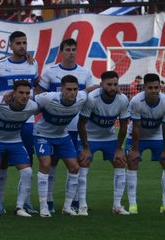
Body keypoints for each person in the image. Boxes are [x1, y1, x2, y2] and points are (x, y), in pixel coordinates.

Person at [36, 38, 98, 214]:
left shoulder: (85, 73)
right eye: (68, 49)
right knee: (51, 164)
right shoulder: (50, 72)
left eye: (73, 49)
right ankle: (48, 201)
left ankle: (75, 202)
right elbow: (40, 95)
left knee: (77, 165)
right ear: (61, 52)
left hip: (75, 128)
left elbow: (89, 94)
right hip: (53, 126)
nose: (71, 52)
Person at [0, 30, 38, 214]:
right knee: (2, 161)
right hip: (5, 116)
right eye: (19, 43)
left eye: (25, 43)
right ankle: (0, 202)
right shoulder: (0, 66)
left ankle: (26, 201)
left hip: (26, 120)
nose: (22, 46)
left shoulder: (32, 63)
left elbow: (37, 87)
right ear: (10, 45)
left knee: (28, 160)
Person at [0, 80, 40, 218]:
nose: (24, 96)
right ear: (13, 93)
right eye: (21, 93)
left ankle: (20, 207)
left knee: (27, 172)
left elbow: (46, 101)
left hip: (15, 141)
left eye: (27, 93)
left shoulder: (33, 106)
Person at [33, 74, 88, 217]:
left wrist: (102, 86)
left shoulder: (82, 97)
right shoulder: (48, 97)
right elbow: (31, 100)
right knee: (46, 165)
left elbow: (90, 90)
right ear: (62, 90)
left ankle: (67, 207)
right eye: (69, 89)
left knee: (75, 167)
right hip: (42, 134)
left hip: (62, 136)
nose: (72, 93)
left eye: (75, 89)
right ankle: (44, 206)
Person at [76, 71, 130, 215]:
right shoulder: (92, 99)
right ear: (101, 85)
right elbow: (81, 124)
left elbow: (124, 125)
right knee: (84, 162)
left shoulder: (123, 100)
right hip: (90, 137)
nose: (112, 88)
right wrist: (86, 147)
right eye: (109, 84)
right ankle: (82, 205)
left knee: (120, 162)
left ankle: (117, 205)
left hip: (109, 137)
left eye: (115, 84)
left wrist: (119, 148)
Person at [126, 73, 165, 215]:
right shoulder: (136, 101)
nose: (154, 90)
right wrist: (135, 150)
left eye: (157, 87)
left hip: (157, 135)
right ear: (144, 88)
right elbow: (136, 127)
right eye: (150, 87)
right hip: (137, 136)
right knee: (133, 162)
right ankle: (133, 205)